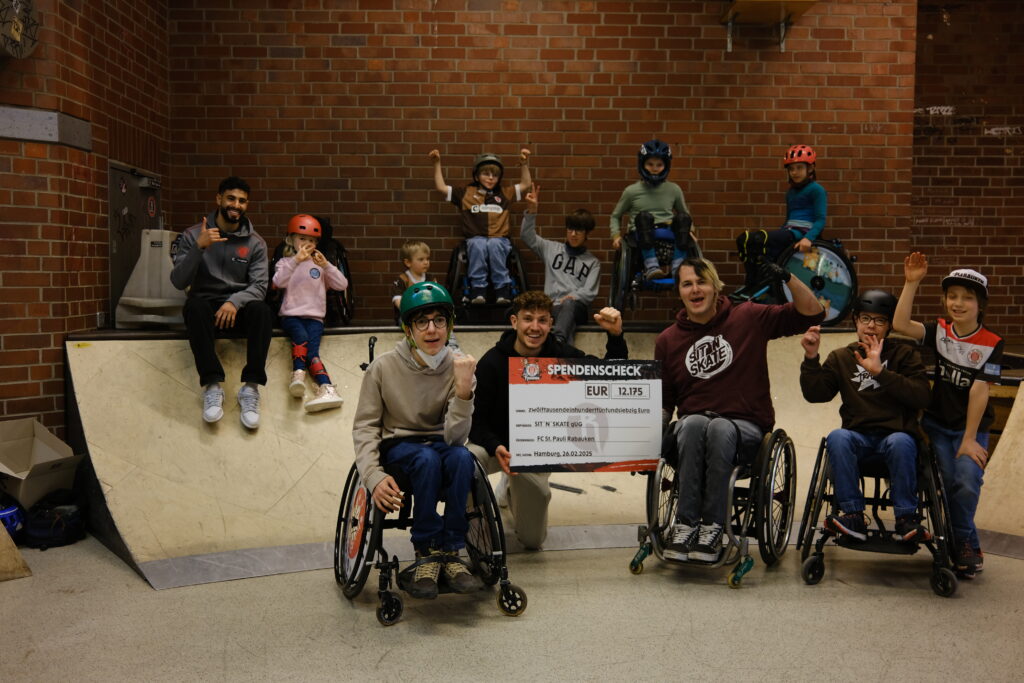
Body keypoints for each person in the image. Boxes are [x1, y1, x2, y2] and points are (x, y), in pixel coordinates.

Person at [658, 257, 824, 562]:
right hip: (693, 430)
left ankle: (713, 529)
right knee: (693, 423)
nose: (695, 290)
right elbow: (665, 401)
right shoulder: (668, 340)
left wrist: (787, 277)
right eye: (687, 284)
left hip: (744, 428)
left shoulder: (747, 316)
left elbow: (812, 312)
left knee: (719, 427)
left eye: (701, 282)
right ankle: (685, 526)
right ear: (679, 292)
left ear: (715, 286)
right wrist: (649, 439)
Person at [351, 282, 483, 599]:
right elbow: (365, 426)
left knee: (463, 457)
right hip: (399, 449)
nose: (432, 329)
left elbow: (456, 438)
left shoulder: (460, 367)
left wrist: (463, 392)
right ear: (408, 329)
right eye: (422, 322)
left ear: (449, 326)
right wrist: (372, 475)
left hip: (442, 444)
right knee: (426, 459)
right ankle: (426, 549)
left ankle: (452, 549)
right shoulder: (383, 367)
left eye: (439, 320)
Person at [469, 291, 628, 550]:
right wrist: (495, 445)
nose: (535, 327)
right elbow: (476, 423)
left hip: (533, 452)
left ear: (551, 324)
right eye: (527, 319)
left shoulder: (561, 355)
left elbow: (610, 376)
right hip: (495, 446)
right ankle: (475, 526)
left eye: (542, 320)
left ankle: (512, 488)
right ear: (514, 322)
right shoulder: (491, 363)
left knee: (532, 541)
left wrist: (615, 336)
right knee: (467, 462)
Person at [893, 253, 1004, 578]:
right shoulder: (940, 331)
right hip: (937, 426)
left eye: (967, 298)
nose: (958, 303)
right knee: (943, 481)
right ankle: (964, 545)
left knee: (966, 482)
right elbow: (900, 324)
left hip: (971, 428)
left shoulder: (992, 343)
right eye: (952, 296)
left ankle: (963, 542)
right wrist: (911, 283)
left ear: (980, 305)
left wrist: (969, 439)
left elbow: (979, 390)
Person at [800, 290, 932, 542]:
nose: (871, 326)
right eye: (865, 319)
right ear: (856, 321)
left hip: (896, 438)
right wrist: (811, 357)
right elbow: (816, 394)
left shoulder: (904, 355)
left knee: (901, 441)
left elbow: (922, 397)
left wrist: (881, 372)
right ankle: (852, 515)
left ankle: (906, 518)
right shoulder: (841, 357)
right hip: (858, 439)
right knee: (837, 437)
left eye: (880, 320)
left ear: (890, 325)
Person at [170, 176, 271, 429]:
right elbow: (178, 281)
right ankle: (212, 385)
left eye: (242, 201)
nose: (236, 205)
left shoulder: (256, 243)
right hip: (206, 311)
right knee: (194, 306)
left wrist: (235, 302)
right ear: (219, 199)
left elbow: (259, 286)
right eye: (231, 198)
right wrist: (199, 248)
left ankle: (251, 388)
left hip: (238, 310)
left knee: (262, 310)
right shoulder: (193, 235)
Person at [429, 148, 532, 304]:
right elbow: (441, 187)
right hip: (475, 239)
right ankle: (478, 290)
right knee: (478, 244)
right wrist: (436, 163)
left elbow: (526, 184)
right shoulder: (466, 193)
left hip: (499, 239)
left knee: (494, 244)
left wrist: (524, 164)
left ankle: (502, 290)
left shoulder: (505, 193)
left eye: (495, 175)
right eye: (486, 174)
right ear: (476, 176)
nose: (490, 178)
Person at [272, 214, 348, 412]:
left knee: (312, 353)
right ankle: (298, 374)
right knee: (300, 336)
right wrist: (296, 260)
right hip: (291, 316)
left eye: (312, 240)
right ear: (291, 240)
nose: (308, 243)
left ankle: (327, 388)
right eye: (302, 238)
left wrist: (326, 265)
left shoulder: (319, 265)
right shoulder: (285, 262)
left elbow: (342, 284)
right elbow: (278, 281)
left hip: (315, 318)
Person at [736, 144, 827, 291]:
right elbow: (788, 220)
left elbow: (821, 219)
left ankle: (755, 285)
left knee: (758, 239)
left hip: (801, 234)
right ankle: (754, 283)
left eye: (799, 168)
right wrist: (780, 233)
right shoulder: (790, 193)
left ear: (810, 168)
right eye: (791, 169)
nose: (794, 172)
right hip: (788, 232)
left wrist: (808, 238)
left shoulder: (817, 190)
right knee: (744, 240)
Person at [519, 185, 600, 345]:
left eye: (578, 231)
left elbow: (589, 292)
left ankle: (558, 340)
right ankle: (563, 348)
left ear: (587, 233)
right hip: (551, 307)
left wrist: (573, 297)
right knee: (563, 320)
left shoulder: (593, 262)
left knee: (569, 305)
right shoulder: (551, 249)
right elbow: (527, 236)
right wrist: (531, 211)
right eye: (570, 229)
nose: (573, 234)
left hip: (576, 308)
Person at [610, 139, 696, 282]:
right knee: (644, 217)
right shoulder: (631, 191)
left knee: (683, 218)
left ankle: (677, 268)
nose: (654, 169)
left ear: (666, 166)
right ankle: (651, 267)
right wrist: (616, 236)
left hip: (668, 232)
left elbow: (685, 213)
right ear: (642, 164)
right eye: (650, 164)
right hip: (641, 233)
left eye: (659, 165)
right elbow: (615, 216)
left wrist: (690, 230)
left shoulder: (674, 189)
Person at [391, 240, 432, 316]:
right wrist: (410, 312)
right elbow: (398, 300)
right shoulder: (402, 280)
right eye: (421, 259)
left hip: (427, 315)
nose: (426, 262)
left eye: (427, 259)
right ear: (408, 263)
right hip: (407, 315)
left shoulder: (430, 279)